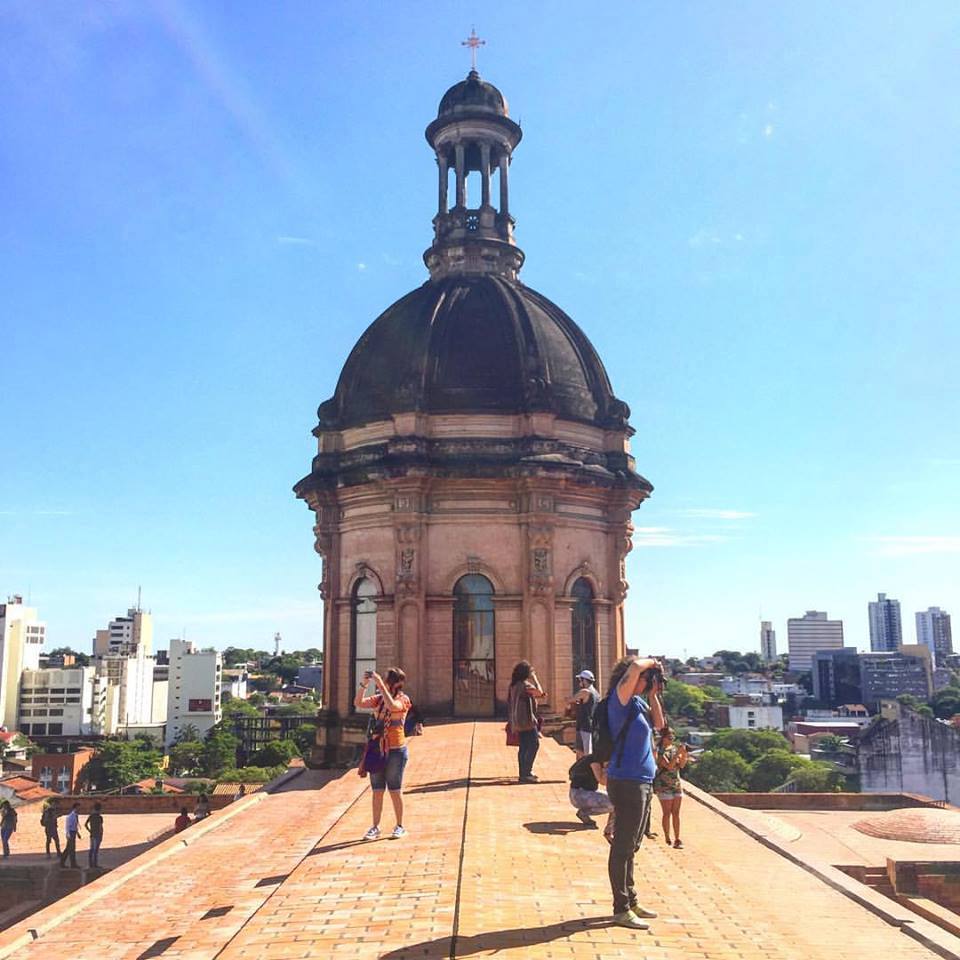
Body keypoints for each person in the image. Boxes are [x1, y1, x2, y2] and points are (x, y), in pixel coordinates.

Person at [604, 656, 666, 930]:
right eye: (646, 678)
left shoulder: (639, 703)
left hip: (641, 780)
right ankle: (620, 908)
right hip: (626, 781)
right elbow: (633, 670)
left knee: (632, 846)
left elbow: (660, 724)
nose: (647, 681)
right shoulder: (621, 700)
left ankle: (631, 901)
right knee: (623, 847)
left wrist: (653, 693)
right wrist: (651, 662)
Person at [355, 666, 412, 840]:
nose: (384, 683)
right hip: (378, 748)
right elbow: (358, 703)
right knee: (377, 790)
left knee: (395, 789)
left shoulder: (403, 699)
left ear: (394, 683)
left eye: (386, 680)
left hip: (396, 750)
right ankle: (375, 827)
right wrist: (364, 684)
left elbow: (393, 707)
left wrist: (379, 684)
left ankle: (400, 825)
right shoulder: (379, 700)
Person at [507, 661, 546, 783]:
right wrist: (535, 679)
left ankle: (523, 773)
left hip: (517, 721)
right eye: (530, 671)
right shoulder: (525, 685)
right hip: (527, 721)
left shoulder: (513, 685)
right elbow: (540, 693)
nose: (532, 673)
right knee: (534, 745)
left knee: (523, 747)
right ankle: (527, 772)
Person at [654, 727, 689, 848]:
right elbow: (669, 766)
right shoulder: (659, 751)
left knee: (676, 813)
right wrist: (678, 754)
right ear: (663, 738)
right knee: (667, 812)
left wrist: (684, 755)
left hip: (676, 784)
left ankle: (677, 838)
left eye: (673, 735)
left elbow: (681, 765)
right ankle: (667, 836)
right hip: (664, 785)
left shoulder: (674, 749)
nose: (672, 738)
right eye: (669, 736)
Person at [568, 752, 615, 833]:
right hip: (580, 795)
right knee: (615, 804)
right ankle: (609, 830)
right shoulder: (594, 761)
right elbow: (602, 781)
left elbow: (571, 771)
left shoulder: (590, 757)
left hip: (579, 793)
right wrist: (608, 768)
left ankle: (584, 814)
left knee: (615, 799)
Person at [568, 670, 600, 758]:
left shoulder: (585, 692)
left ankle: (586, 771)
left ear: (584, 680)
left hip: (585, 726)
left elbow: (570, 700)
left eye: (580, 680)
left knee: (585, 753)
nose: (579, 682)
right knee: (580, 751)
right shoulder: (596, 693)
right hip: (590, 726)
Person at [60, 802, 80, 868]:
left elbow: (75, 826)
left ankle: (63, 862)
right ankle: (72, 864)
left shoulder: (75, 815)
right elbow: (68, 826)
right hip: (70, 833)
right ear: (75, 808)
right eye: (78, 807)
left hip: (73, 833)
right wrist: (68, 834)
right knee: (71, 849)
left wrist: (77, 833)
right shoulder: (70, 816)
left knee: (69, 849)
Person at [84, 802, 104, 868]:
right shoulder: (99, 817)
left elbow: (85, 824)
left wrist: (90, 830)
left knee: (92, 849)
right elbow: (100, 827)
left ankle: (90, 864)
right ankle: (95, 864)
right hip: (98, 834)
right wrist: (101, 835)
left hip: (92, 834)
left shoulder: (91, 816)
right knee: (95, 850)